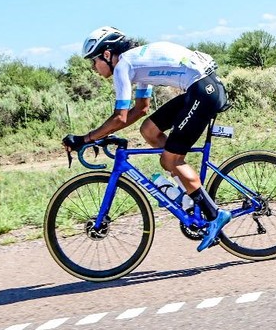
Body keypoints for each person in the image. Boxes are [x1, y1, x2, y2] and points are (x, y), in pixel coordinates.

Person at [62, 26, 231, 251]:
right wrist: (102, 134)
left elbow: (120, 117)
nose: (93, 68)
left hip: (202, 91)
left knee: (170, 160)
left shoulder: (124, 66)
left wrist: (86, 138)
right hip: (202, 87)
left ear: (106, 54)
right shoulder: (138, 63)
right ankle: (189, 191)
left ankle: (214, 215)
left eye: (93, 61)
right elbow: (141, 109)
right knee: (149, 130)